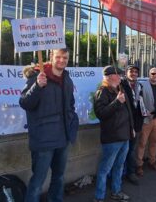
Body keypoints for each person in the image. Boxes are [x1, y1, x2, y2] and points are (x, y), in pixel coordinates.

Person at [19, 48, 79, 202]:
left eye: (65, 58)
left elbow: (70, 105)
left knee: (59, 178)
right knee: (38, 181)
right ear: (51, 57)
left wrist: (72, 122)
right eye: (58, 57)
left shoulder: (67, 78)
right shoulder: (38, 76)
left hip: (64, 138)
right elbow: (25, 103)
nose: (62, 60)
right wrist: (37, 86)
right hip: (43, 140)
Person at [93, 66, 133, 202]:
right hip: (112, 138)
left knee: (119, 166)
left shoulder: (120, 89)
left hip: (124, 136)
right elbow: (101, 114)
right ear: (109, 77)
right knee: (105, 169)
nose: (121, 77)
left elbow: (129, 112)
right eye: (118, 75)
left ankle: (116, 191)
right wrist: (116, 102)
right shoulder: (102, 91)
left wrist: (131, 128)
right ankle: (99, 197)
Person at [136, 67, 156, 176]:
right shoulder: (143, 85)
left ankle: (152, 161)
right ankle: (139, 165)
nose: (155, 76)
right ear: (149, 74)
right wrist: (144, 112)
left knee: (154, 142)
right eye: (153, 74)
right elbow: (139, 101)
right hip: (147, 120)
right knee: (142, 143)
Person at [120, 65, 144, 185]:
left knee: (131, 150)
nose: (134, 73)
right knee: (121, 150)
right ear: (126, 73)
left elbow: (141, 103)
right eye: (131, 71)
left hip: (137, 124)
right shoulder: (121, 85)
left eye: (136, 72)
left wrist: (144, 112)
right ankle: (119, 174)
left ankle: (131, 173)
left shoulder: (140, 86)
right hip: (124, 124)